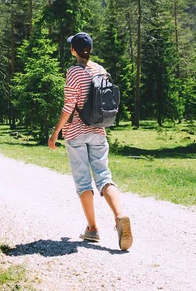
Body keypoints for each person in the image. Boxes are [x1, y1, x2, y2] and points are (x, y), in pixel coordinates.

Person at [48, 32, 133, 251]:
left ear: (73, 51)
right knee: (104, 176)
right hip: (98, 131)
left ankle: (93, 228)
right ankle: (120, 215)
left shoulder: (74, 72)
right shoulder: (101, 70)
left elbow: (69, 106)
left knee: (83, 182)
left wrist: (56, 132)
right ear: (91, 50)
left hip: (76, 132)